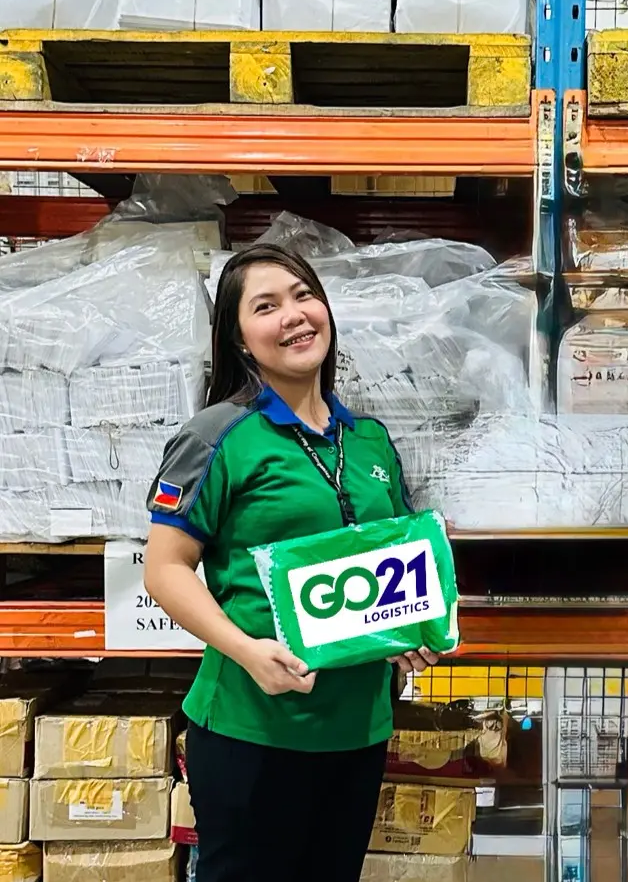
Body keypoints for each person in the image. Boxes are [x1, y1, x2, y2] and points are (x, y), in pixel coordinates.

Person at [143, 243, 439, 882]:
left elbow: (394, 568)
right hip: (253, 726)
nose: (295, 316)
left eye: (305, 295)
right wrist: (248, 650)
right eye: (267, 306)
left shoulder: (369, 441)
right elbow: (164, 569)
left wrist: (410, 632)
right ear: (240, 339)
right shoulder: (218, 436)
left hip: (357, 730)